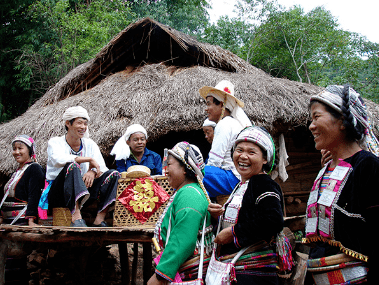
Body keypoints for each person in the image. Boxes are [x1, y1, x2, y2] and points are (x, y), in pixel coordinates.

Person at [304, 85, 379, 284]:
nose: (311, 126)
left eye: (316, 117)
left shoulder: (368, 166)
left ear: (343, 121)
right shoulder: (325, 171)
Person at [208, 126, 284, 284]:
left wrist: (233, 232)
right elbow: (248, 216)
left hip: (254, 275)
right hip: (240, 269)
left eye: (251, 152)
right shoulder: (243, 184)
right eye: (239, 150)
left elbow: (273, 220)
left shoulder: (263, 183)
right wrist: (218, 217)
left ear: (265, 159)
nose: (243, 156)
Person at [148, 142, 211, 285]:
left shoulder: (189, 194)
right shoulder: (186, 191)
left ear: (184, 168)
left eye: (169, 165)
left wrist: (161, 275)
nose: (166, 169)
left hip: (186, 273)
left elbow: (183, 240)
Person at [46, 106, 119, 227]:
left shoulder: (89, 144)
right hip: (60, 193)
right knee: (73, 166)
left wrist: (92, 172)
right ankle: (76, 217)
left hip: (85, 192)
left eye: (85, 124)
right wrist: (88, 159)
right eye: (79, 123)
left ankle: (99, 219)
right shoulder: (55, 142)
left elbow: (101, 168)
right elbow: (58, 160)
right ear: (68, 123)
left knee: (113, 174)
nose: (83, 127)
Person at [199, 80, 252, 198]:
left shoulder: (224, 124)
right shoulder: (232, 123)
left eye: (209, 104)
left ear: (222, 104)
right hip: (235, 177)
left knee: (194, 173)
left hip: (232, 178)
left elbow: (214, 162)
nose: (206, 109)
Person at [0, 135, 45, 226]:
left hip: (21, 221)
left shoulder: (34, 168)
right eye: (14, 149)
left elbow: (35, 194)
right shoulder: (16, 173)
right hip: (7, 222)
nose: (16, 152)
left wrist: (31, 220)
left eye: (20, 148)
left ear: (30, 150)